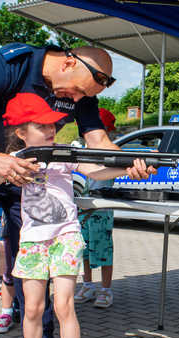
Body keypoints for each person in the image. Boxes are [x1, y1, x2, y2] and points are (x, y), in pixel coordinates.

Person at [0, 42, 155, 338]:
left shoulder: (83, 93)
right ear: (69, 63)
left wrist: (130, 165)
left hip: (30, 177)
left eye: (86, 96)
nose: (78, 100)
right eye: (80, 91)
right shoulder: (11, 65)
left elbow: (97, 141)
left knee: (32, 258)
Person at [0, 93, 139, 338]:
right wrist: (7, 168)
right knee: (33, 309)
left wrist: (126, 169)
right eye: (42, 125)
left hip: (65, 236)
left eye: (53, 124)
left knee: (64, 306)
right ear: (22, 132)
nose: (52, 130)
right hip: (32, 240)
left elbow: (94, 171)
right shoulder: (16, 157)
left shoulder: (64, 153)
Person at [75, 108, 117, 308]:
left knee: (103, 248)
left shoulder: (109, 151)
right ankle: (88, 284)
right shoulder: (83, 150)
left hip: (102, 207)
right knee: (83, 247)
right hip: (84, 205)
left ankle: (106, 289)